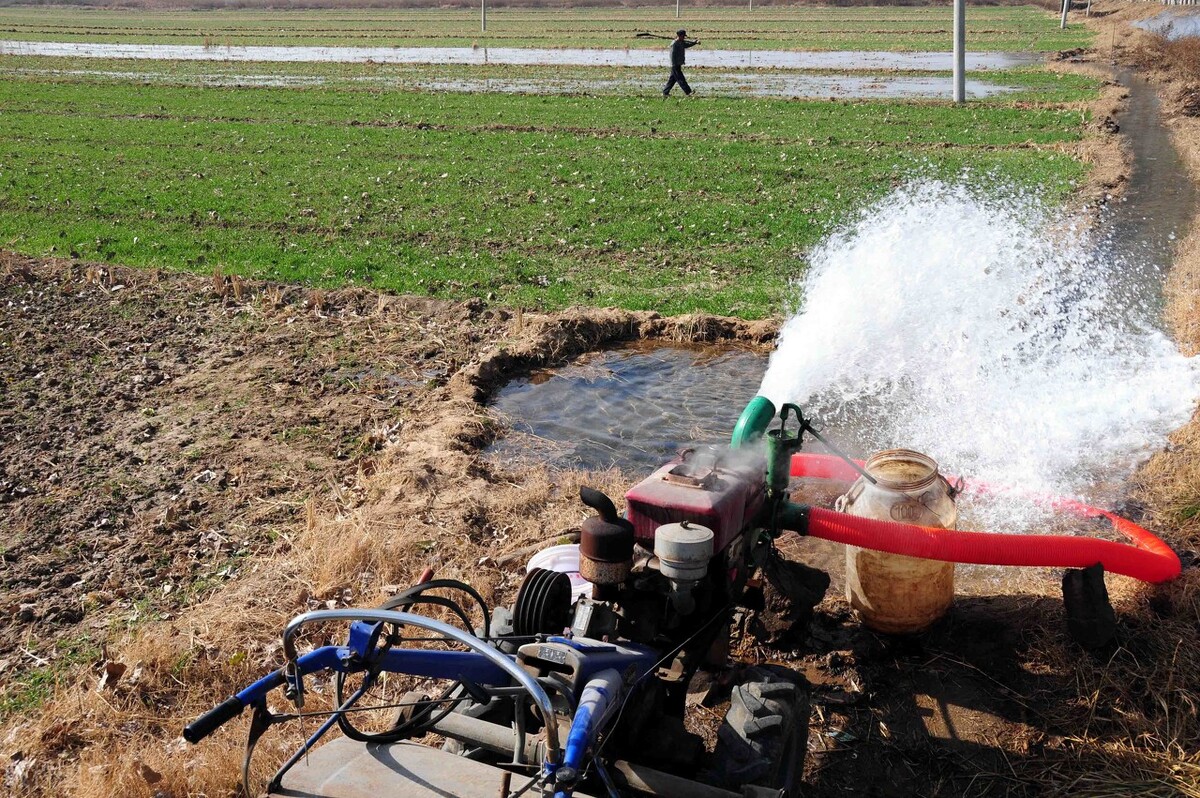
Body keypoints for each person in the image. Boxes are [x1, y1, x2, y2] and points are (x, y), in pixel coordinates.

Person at [663, 29, 699, 97]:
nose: (684, 38)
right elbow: (672, 55)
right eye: (683, 36)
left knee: (672, 80)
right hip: (675, 64)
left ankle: (665, 92)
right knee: (681, 79)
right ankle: (688, 92)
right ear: (679, 36)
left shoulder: (681, 42)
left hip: (678, 63)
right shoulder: (674, 44)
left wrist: (694, 43)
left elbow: (687, 45)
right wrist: (674, 64)